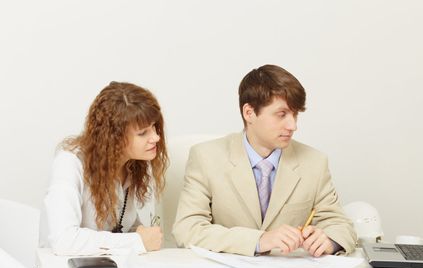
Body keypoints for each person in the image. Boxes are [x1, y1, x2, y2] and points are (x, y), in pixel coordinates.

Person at [173, 64, 356, 256]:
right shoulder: (206, 157)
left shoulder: (315, 162)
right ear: (249, 113)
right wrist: (259, 240)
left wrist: (330, 240)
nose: (293, 125)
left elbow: (339, 224)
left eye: (295, 114)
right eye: (282, 114)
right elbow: (187, 229)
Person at [40, 81, 169, 255]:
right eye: (142, 133)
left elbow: (123, 228)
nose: (156, 137)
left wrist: (141, 234)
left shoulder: (133, 164)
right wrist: (137, 241)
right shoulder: (70, 162)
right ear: (114, 138)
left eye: (154, 127)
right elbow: (63, 240)